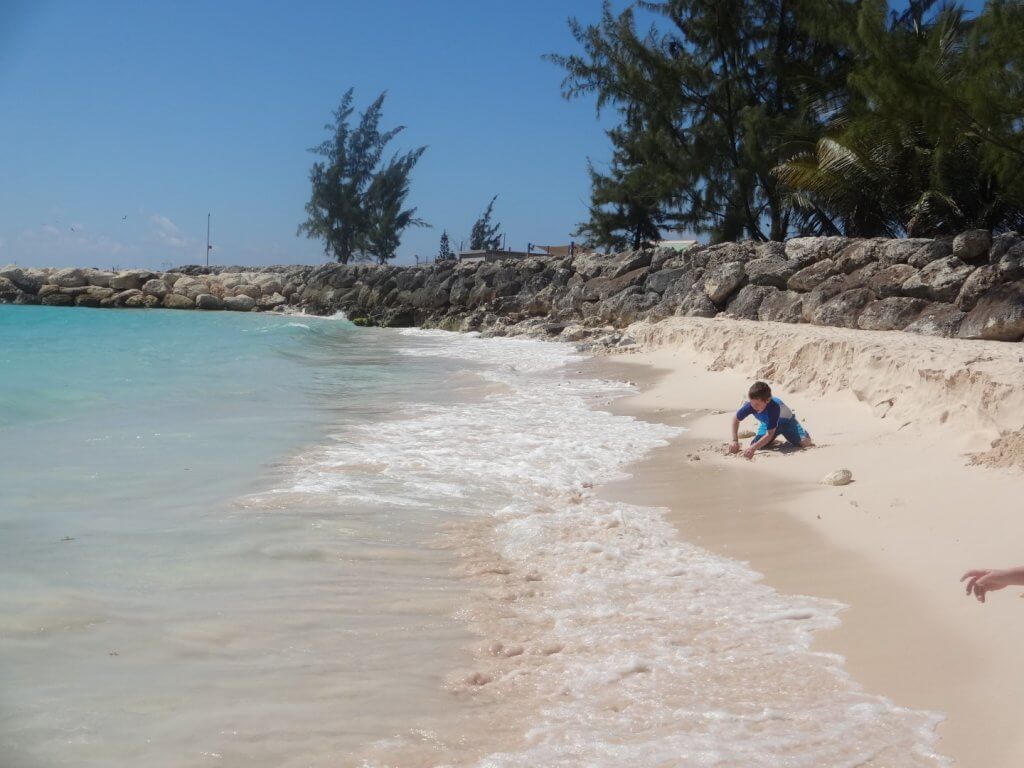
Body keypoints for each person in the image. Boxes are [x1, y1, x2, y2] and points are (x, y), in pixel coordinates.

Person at [728, 381, 813, 460]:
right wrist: (734, 440)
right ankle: (772, 440)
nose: (754, 406)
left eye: (757, 404)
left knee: (804, 444)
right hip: (768, 423)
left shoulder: (774, 408)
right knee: (756, 444)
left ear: (767, 400)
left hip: (787, 423)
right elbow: (735, 419)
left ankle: (804, 434)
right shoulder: (751, 405)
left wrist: (753, 449)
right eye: (751, 402)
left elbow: (769, 434)